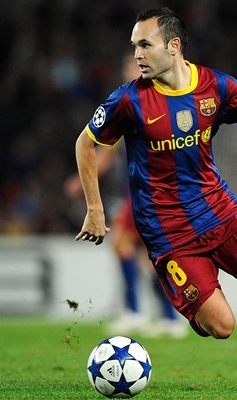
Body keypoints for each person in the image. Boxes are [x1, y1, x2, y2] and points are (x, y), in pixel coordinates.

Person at [74, 7, 237, 392]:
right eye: (134, 46)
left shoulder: (216, 86)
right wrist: (95, 209)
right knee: (222, 326)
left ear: (173, 46)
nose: (137, 55)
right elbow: (85, 143)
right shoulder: (128, 100)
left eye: (145, 45)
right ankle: (186, 293)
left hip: (219, 211)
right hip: (169, 231)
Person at [65, 54, 187, 338]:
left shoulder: (148, 104)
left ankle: (136, 313)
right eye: (127, 68)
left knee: (122, 243)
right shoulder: (133, 104)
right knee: (148, 256)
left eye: (134, 67)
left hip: (149, 192)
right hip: (143, 192)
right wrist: (82, 179)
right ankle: (169, 317)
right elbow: (109, 152)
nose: (129, 72)